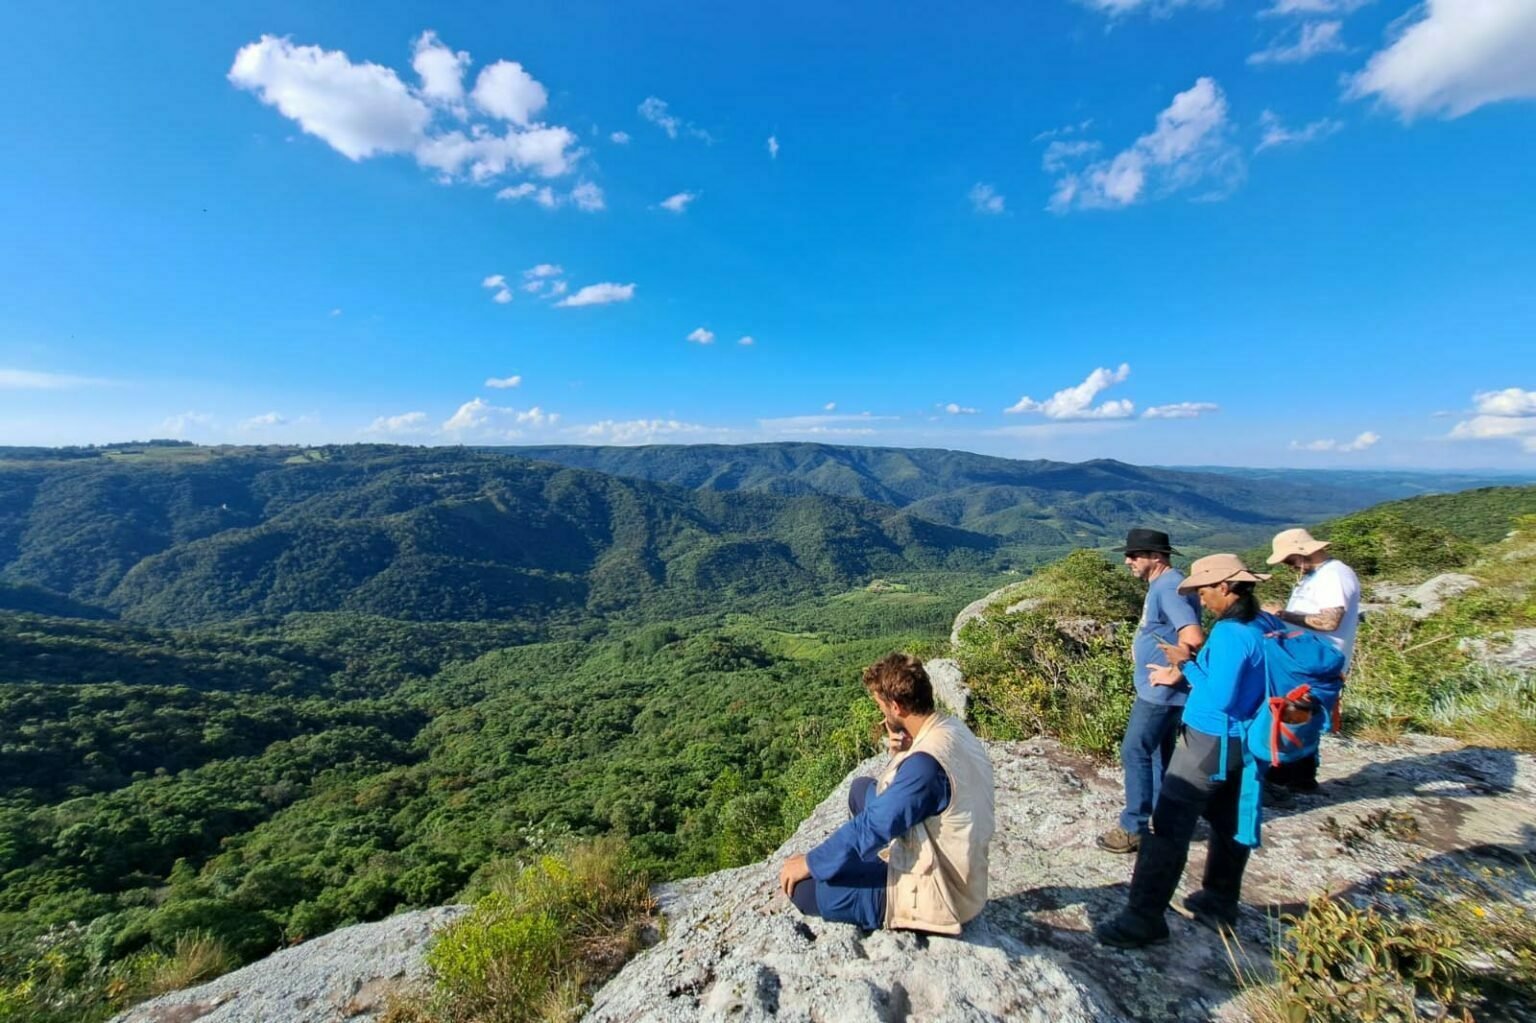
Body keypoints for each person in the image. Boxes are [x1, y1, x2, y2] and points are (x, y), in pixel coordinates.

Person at [1095, 554, 1271, 948]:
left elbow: (1219, 697)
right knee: (1229, 825)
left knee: (1167, 827)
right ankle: (1219, 904)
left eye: (1205, 591)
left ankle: (1143, 919)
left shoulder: (1229, 635)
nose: (1201, 600)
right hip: (1246, 743)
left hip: (1210, 739)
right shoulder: (1262, 624)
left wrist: (1185, 664)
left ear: (1225, 587)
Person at [778, 653, 995, 934]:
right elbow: (909, 794)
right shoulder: (949, 728)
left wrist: (810, 862)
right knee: (860, 790)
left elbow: (872, 825)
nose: (882, 715)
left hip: (942, 893)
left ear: (896, 706)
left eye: (882, 707)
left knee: (804, 889)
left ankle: (880, 886)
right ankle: (868, 865)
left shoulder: (925, 768)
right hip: (960, 866)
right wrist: (901, 752)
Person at [1097, 529, 1206, 856]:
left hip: (1160, 694)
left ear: (1156, 557)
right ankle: (1164, 815)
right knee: (1159, 753)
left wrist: (1174, 672)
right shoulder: (1166, 584)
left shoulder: (1169, 586)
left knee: (1135, 750)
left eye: (1135, 555)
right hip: (1163, 692)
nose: (1128, 561)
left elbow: (1194, 636)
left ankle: (1134, 827)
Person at [1261, 527, 1360, 794]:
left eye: (1288, 559)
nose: (1287, 565)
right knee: (1302, 712)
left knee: (1292, 710)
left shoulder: (1334, 575)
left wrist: (1281, 614)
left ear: (1300, 552)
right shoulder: (1316, 575)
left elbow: (1330, 621)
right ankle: (1300, 777)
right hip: (1309, 655)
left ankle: (1283, 777)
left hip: (1319, 656)